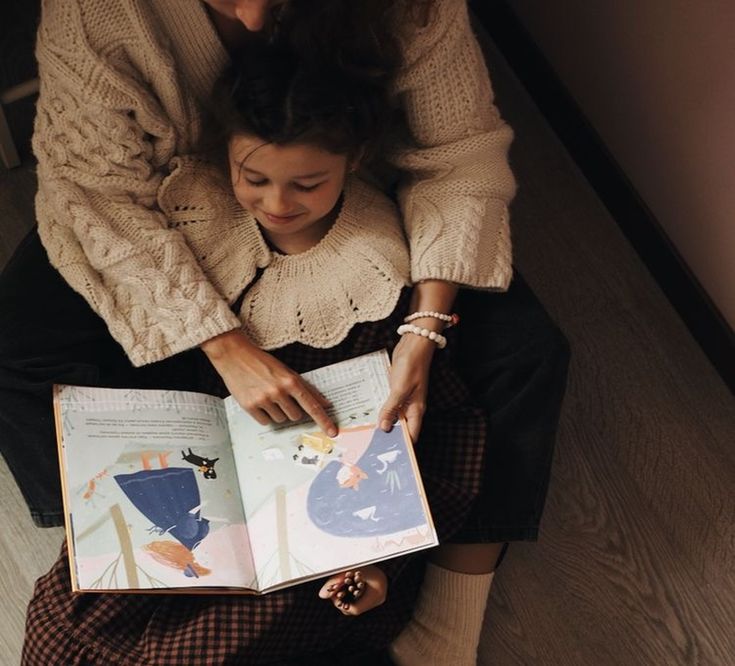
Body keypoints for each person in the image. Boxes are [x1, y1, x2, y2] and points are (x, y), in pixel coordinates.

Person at [2, 0, 570, 663]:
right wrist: (222, 342)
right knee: (17, 343)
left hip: (349, 208)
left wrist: (426, 324)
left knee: (524, 353)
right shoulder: (95, 13)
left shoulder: (409, 12)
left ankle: (443, 624)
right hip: (150, 204)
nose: (250, 17)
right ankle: (103, 544)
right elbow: (96, 190)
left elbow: (459, 152)